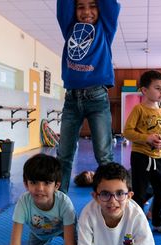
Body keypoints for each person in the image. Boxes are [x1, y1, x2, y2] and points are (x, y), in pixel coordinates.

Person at [56, 0, 121, 193]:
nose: (86, 12)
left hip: (97, 98)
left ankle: (111, 199)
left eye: (92, 6)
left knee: (104, 155)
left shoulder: (105, 28)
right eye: (80, 6)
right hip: (71, 99)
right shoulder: (70, 28)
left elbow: (109, 6)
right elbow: (64, 5)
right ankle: (60, 204)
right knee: (64, 155)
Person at [123, 70, 161, 235]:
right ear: (144, 90)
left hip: (160, 158)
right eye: (157, 88)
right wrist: (146, 138)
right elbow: (127, 132)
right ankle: (135, 226)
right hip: (141, 157)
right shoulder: (139, 109)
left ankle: (158, 223)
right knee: (139, 192)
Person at [75, 162, 156, 245]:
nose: (113, 201)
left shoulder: (136, 216)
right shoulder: (87, 216)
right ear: (95, 197)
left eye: (120, 193)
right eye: (105, 194)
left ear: (129, 196)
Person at [7, 153, 76, 245]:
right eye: (33, 182)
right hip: (40, 233)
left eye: (47, 183)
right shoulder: (24, 203)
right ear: (26, 184)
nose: (40, 188)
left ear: (56, 185)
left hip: (63, 229)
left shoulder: (65, 203)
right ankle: (46, 240)